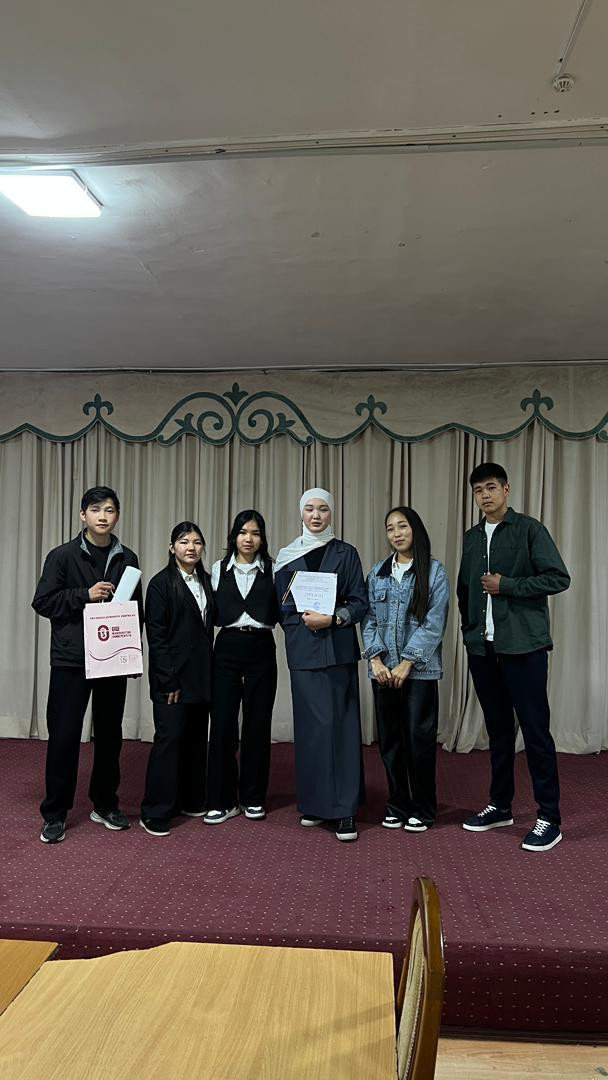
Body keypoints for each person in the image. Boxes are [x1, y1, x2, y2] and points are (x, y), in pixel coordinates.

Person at [457, 462, 570, 852]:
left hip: (524, 647)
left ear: (506, 490)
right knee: (499, 731)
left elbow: (558, 577)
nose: (484, 495)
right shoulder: (472, 537)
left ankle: (549, 817)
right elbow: (465, 588)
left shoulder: (529, 529)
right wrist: (470, 630)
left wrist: (508, 586)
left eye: (491, 487)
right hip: (483, 648)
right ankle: (500, 805)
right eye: (478, 490)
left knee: (535, 732)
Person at [32, 486, 142, 844]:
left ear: (117, 516)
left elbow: (135, 612)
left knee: (110, 736)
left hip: (112, 660)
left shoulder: (128, 558)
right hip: (71, 660)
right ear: (83, 515)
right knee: (64, 736)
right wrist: (85, 595)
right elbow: (43, 602)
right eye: (96, 510)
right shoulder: (62, 556)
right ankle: (55, 813)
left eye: (109, 510)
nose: (103, 516)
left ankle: (105, 804)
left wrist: (132, 654)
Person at [275, 488, 367, 842]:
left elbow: (359, 601)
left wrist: (334, 618)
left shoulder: (347, 553)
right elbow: (281, 608)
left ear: (332, 514)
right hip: (303, 650)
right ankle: (314, 803)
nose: (316, 515)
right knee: (311, 729)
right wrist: (302, 622)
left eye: (323, 509)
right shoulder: (286, 556)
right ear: (301, 513)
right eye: (310, 509)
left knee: (341, 727)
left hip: (337, 647)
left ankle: (345, 810)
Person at [362, 507, 449, 831]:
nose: (396, 533)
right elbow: (369, 620)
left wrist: (408, 662)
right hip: (383, 671)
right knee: (391, 742)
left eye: (403, 526)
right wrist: (375, 659)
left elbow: (434, 624)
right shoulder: (378, 573)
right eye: (390, 528)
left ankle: (423, 809)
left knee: (418, 740)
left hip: (419, 671)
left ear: (416, 530)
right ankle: (397, 804)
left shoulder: (434, 572)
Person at [140, 521, 215, 836]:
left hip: (201, 675)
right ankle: (155, 810)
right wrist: (168, 679)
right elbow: (156, 637)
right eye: (184, 542)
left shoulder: (207, 580)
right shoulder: (160, 584)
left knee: (196, 740)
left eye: (197, 542)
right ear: (172, 548)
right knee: (169, 741)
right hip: (171, 678)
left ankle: (190, 798)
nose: (191, 548)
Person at [204, 511, 279, 825]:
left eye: (255, 533)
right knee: (222, 725)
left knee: (257, 726)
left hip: (261, 647)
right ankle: (221, 800)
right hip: (227, 648)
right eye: (243, 532)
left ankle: (253, 797)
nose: (249, 539)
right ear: (234, 536)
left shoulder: (274, 569)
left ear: (262, 538)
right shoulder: (217, 569)